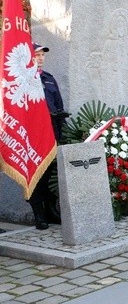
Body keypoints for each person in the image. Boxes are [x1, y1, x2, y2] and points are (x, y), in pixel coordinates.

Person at [28, 42, 67, 230]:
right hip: (33, 134)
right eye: (37, 55)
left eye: (43, 55)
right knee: (36, 173)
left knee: (51, 172)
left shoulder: (50, 79)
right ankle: (39, 213)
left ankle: (51, 210)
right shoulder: (23, 80)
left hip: (52, 131)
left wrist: (63, 130)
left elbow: (59, 105)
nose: (41, 58)